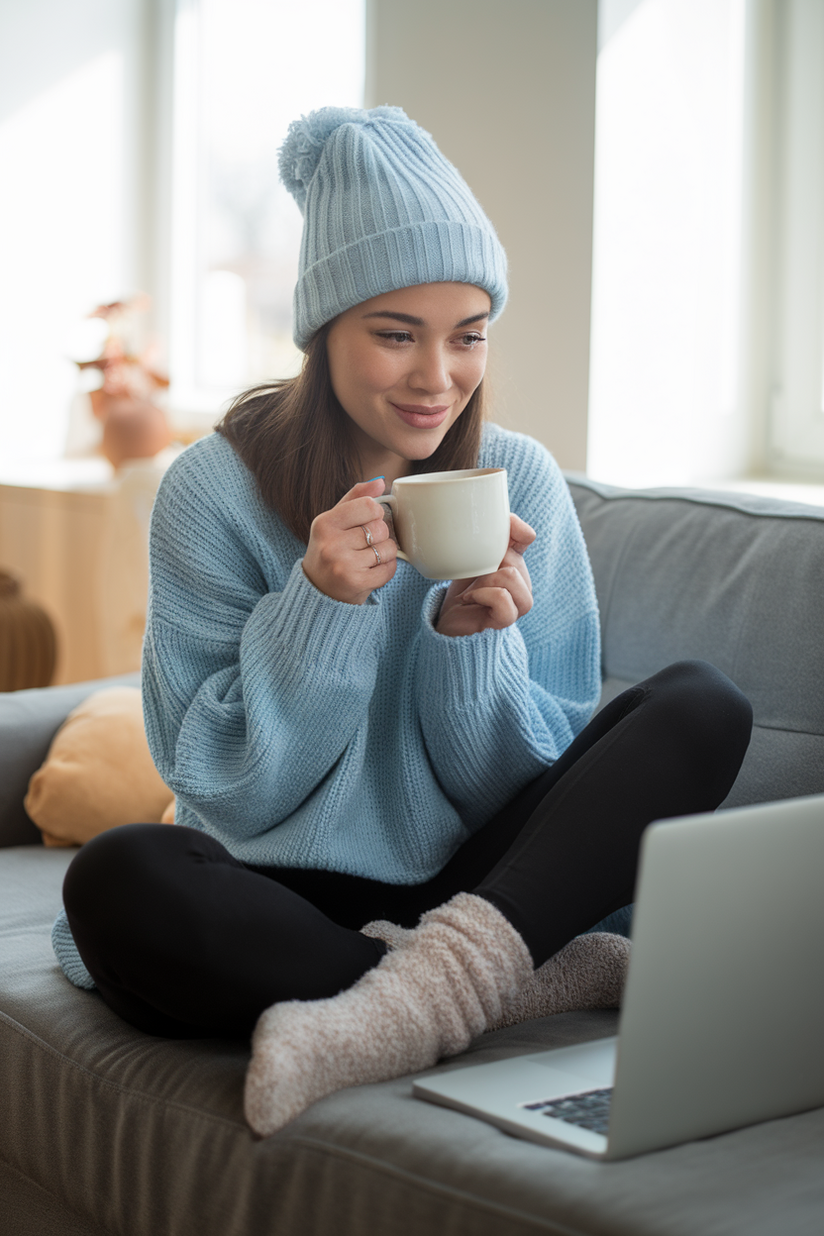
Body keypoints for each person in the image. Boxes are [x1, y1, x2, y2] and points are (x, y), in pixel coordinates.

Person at [56, 106, 753, 1137]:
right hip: (276, 889)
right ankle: (518, 980)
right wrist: (322, 609)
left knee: (701, 705)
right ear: (323, 333)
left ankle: (410, 998)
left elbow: (532, 792)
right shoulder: (211, 491)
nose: (437, 378)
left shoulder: (516, 480)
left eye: (466, 336)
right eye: (395, 335)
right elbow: (221, 780)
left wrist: (474, 654)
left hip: (477, 885)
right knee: (117, 877)